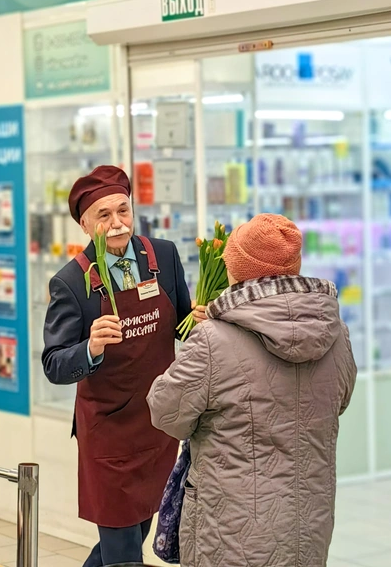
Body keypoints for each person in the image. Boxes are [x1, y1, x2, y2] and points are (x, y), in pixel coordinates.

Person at [147, 213, 357, 567]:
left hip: (229, 531)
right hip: (308, 522)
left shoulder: (214, 339)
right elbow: (340, 400)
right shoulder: (335, 333)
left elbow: (165, 411)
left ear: (239, 270)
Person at [42, 165, 206, 567]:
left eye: (124, 211)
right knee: (122, 549)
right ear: (84, 224)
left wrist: (199, 320)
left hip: (157, 425)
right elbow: (53, 363)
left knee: (134, 536)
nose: (118, 224)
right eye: (104, 215)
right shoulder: (71, 281)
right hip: (109, 434)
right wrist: (90, 347)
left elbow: (182, 321)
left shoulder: (162, 256)